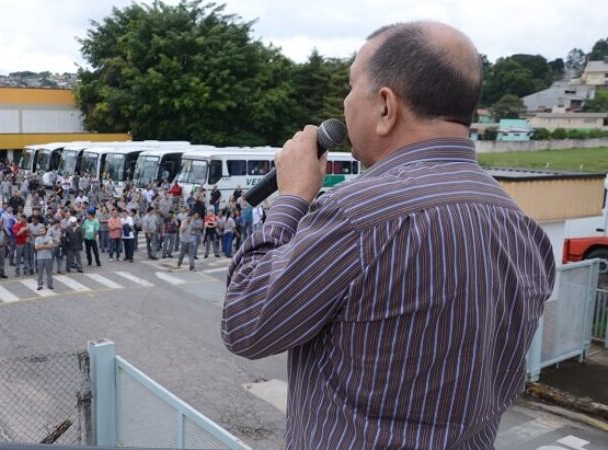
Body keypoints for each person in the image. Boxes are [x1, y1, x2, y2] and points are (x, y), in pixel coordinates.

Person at [222, 21, 556, 449]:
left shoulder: (356, 215)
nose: (344, 105)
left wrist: (291, 199)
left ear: (385, 106)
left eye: (350, 87)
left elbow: (245, 324)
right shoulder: (520, 225)